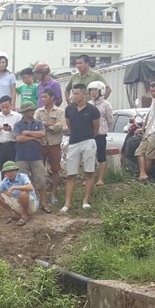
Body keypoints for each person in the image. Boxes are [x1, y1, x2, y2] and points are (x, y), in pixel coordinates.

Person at [61, 84, 101, 213]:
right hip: (73, 142)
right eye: (73, 93)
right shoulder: (69, 109)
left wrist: (88, 137)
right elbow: (69, 124)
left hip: (88, 141)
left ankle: (85, 200)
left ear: (84, 94)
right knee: (70, 174)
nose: (74, 96)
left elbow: (96, 128)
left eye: (77, 93)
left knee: (89, 172)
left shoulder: (93, 110)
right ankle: (67, 203)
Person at [13, 101, 51, 213]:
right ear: (25, 112)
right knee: (22, 182)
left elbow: (42, 134)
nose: (32, 112)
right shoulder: (18, 124)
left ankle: (44, 204)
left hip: (36, 156)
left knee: (41, 181)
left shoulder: (38, 123)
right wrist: (34, 138)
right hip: (21, 157)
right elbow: (18, 138)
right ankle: (24, 206)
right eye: (30, 110)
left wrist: (27, 133)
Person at [35, 88, 65, 204]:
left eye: (45, 97)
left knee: (55, 169)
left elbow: (60, 125)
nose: (43, 99)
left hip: (54, 143)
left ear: (52, 97)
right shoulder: (39, 111)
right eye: (42, 97)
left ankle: (53, 193)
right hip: (41, 144)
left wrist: (46, 126)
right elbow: (36, 124)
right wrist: (50, 124)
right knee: (38, 169)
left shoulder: (59, 111)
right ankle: (39, 194)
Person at [0, 161, 36, 226]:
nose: (10, 173)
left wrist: (14, 187)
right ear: (5, 173)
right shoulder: (5, 181)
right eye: (8, 171)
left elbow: (30, 187)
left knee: (23, 193)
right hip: (17, 203)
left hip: (29, 205)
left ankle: (25, 214)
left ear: (16, 171)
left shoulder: (23, 176)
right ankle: (13, 213)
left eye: (12, 171)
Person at [88, 81, 114, 185]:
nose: (92, 93)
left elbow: (109, 119)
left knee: (101, 156)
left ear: (100, 91)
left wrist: (102, 129)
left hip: (100, 135)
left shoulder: (106, 104)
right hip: (89, 135)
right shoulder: (88, 104)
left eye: (94, 90)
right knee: (89, 157)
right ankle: (90, 178)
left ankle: (100, 178)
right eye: (91, 91)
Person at [0, 95, 19, 168]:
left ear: (11, 105)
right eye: (2, 107)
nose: (4, 109)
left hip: (12, 145)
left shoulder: (17, 116)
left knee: (12, 167)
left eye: (6, 107)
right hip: (0, 146)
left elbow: (20, 132)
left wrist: (10, 129)